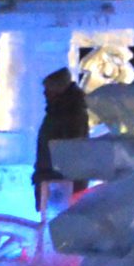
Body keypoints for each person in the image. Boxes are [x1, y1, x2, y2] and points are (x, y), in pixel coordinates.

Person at [33, 69, 88, 213]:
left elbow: (71, 152)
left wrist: (53, 179)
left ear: (58, 89)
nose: (45, 93)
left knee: (57, 224)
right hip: (54, 181)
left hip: (59, 184)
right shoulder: (59, 111)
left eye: (48, 89)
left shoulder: (70, 113)